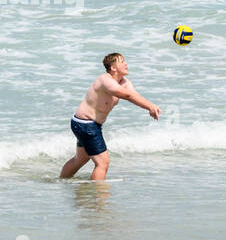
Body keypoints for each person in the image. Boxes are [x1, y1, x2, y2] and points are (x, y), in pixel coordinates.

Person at [59, 52, 161, 180]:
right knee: (102, 163)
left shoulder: (124, 82)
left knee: (81, 159)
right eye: (122, 61)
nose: (126, 64)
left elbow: (133, 95)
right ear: (113, 67)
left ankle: (62, 181)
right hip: (86, 124)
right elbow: (127, 96)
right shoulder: (105, 80)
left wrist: (149, 106)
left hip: (87, 124)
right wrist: (149, 106)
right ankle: (99, 196)